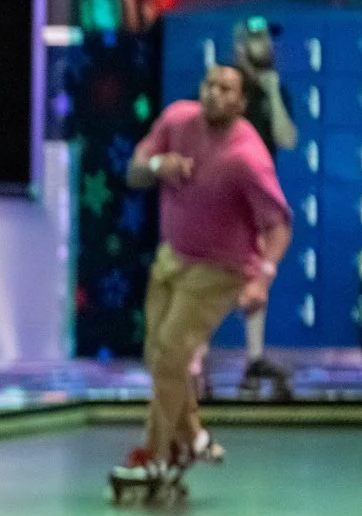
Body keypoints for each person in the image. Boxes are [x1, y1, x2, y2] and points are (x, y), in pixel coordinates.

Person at [117, 63, 289, 489]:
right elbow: (133, 171)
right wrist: (159, 164)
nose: (215, 94)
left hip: (221, 269)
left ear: (241, 102)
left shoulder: (247, 158)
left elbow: (279, 225)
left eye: (226, 89)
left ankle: (153, 456)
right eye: (210, 85)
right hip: (172, 258)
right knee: (158, 356)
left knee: (172, 354)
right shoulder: (177, 119)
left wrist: (261, 280)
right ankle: (191, 437)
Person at [231, 20, 298, 402]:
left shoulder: (276, 90)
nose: (265, 45)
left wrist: (272, 94)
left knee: (257, 277)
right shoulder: (226, 87)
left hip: (259, 199)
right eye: (256, 39)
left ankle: (254, 359)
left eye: (267, 39)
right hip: (225, 197)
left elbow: (287, 139)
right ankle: (195, 357)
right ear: (240, 45)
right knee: (213, 277)